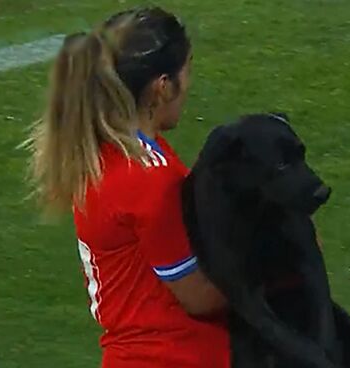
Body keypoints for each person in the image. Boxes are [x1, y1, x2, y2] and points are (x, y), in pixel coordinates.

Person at [23, 6, 230, 368]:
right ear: (162, 87)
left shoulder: (107, 150)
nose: (190, 85)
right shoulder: (147, 178)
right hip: (176, 357)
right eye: (188, 70)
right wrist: (282, 264)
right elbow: (199, 297)